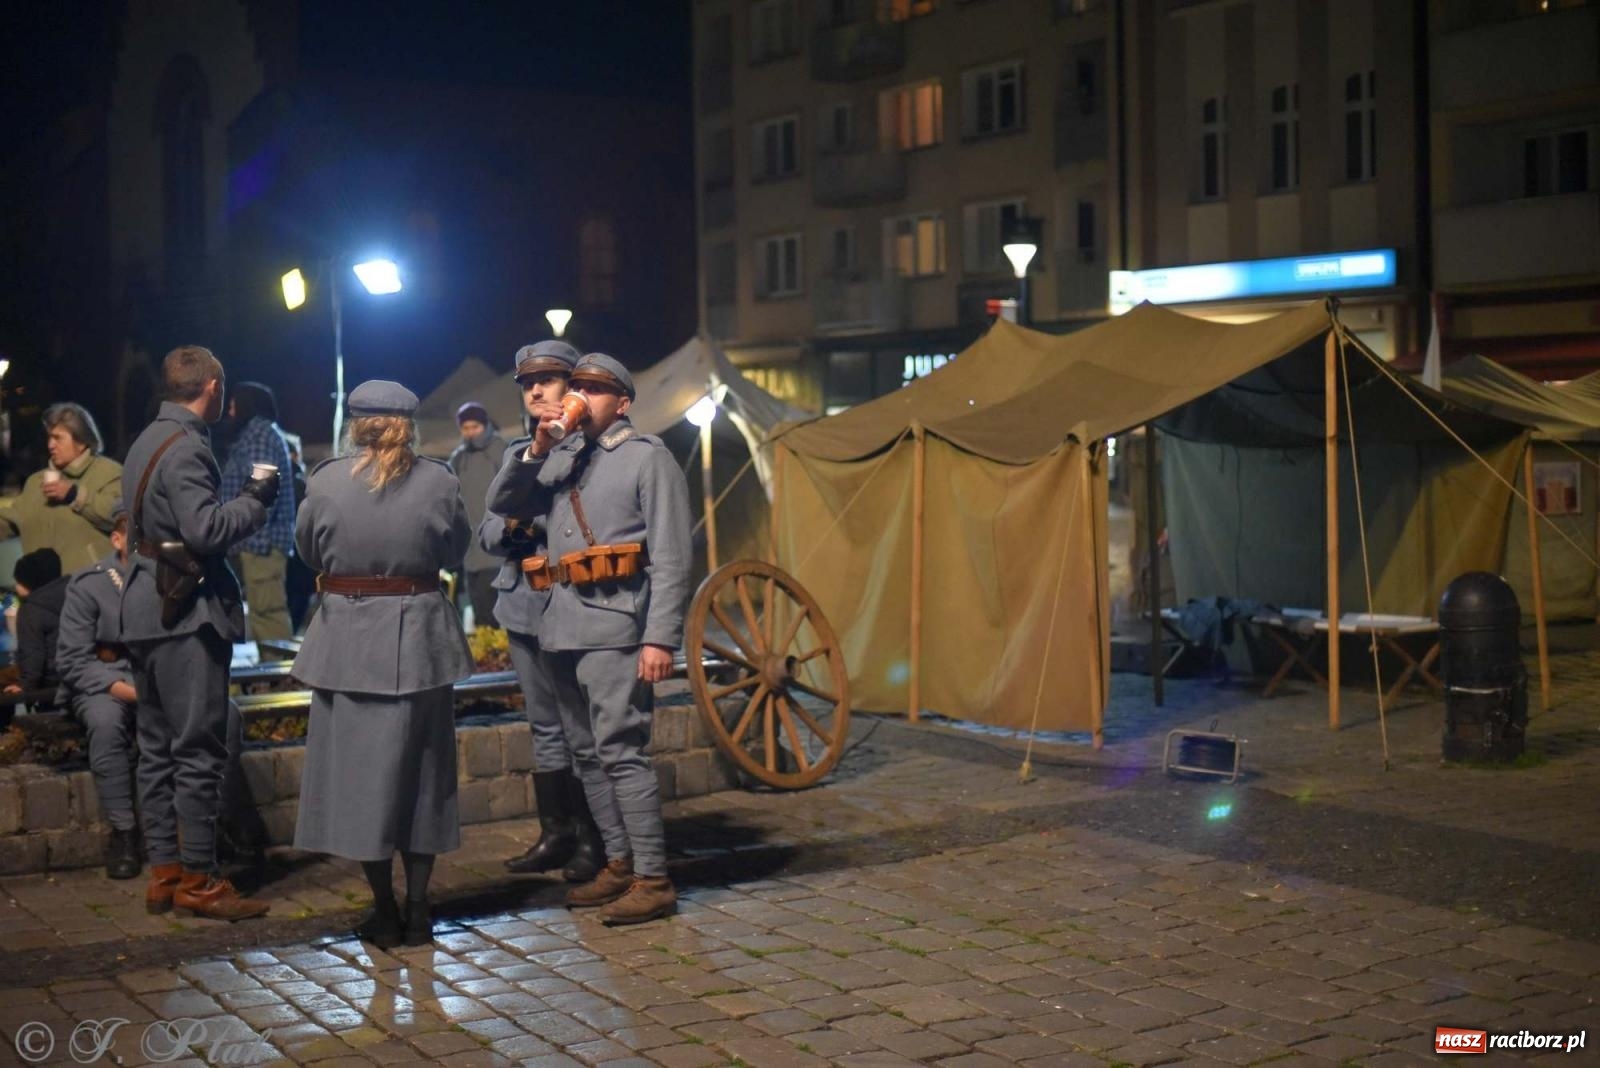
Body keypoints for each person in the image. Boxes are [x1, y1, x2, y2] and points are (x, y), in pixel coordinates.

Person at [489, 352, 692, 926]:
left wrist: (660, 639)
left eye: (596, 390)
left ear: (622, 402)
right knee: (585, 754)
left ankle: (654, 877)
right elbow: (502, 505)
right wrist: (538, 447)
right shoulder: (560, 457)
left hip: (615, 627)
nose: (581, 396)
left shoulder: (646, 459)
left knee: (621, 753)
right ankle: (620, 863)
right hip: (560, 628)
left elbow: (673, 559)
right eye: (576, 387)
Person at [292, 380, 473, 949]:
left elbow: (308, 552)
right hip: (420, 643)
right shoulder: (440, 480)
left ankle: (385, 910)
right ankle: (419, 910)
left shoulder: (324, 481)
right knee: (424, 779)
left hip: (346, 644)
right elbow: (455, 550)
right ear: (408, 425)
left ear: (356, 424)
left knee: (359, 784)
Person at [121, 345, 279, 921]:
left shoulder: (144, 440)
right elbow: (205, 529)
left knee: (157, 750)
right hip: (184, 612)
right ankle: (200, 880)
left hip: (144, 607)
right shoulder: (188, 447)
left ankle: (164, 873)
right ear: (212, 386)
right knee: (197, 751)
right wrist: (255, 501)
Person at [481, 342, 604, 883]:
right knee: (544, 726)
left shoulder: (595, 451)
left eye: (548, 380)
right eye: (528, 383)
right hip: (521, 604)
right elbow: (487, 530)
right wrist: (517, 528)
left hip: (573, 604)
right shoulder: (517, 454)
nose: (535, 390)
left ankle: (596, 837)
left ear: (571, 386)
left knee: (583, 727)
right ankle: (557, 834)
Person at [56, 507, 141, 879]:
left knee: (220, 716)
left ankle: (218, 827)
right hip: (100, 678)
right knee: (105, 723)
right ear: (118, 540)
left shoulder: (168, 579)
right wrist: (128, 692)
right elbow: (73, 661)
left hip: (152, 677)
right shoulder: (90, 584)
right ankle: (123, 832)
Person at [0, 403, 124, 575]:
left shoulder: (108, 473)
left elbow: (117, 516)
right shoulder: (36, 481)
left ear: (81, 441)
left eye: (58, 438)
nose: (50, 445)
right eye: (49, 437)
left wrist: (74, 494)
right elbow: (14, 518)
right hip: (42, 590)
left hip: (91, 588)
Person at [218, 382, 296, 647]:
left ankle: (280, 682)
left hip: (260, 545)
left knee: (268, 616)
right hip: (254, 543)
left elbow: (262, 492)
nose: (229, 411)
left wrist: (249, 538)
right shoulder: (255, 435)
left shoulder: (260, 436)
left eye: (233, 405)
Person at [448, 400, 509, 630]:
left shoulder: (500, 449)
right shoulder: (458, 458)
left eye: (475, 427)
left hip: (499, 550)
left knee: (500, 616)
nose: (470, 433)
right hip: (471, 553)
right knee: (481, 614)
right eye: (465, 428)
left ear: (485, 425)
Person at [5, 548, 68, 708]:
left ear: (32, 581)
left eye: (19, 581)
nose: (16, 585)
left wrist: (25, 686)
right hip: (78, 679)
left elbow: (33, 653)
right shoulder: (76, 596)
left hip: (49, 686)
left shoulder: (31, 610)